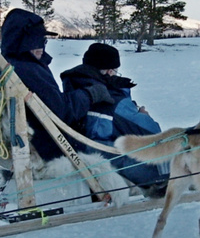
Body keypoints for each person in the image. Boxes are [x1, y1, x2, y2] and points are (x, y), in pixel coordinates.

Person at [58, 43, 168, 193]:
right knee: (163, 158)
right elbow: (153, 134)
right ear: (110, 71)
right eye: (116, 70)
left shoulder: (75, 89)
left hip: (81, 149)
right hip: (102, 155)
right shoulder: (112, 98)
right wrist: (143, 116)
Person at [0, 7, 73, 163]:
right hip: (48, 147)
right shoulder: (27, 69)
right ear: (22, 43)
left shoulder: (9, 65)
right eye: (35, 41)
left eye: (43, 41)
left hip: (32, 140)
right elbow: (62, 112)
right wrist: (89, 95)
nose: (41, 47)